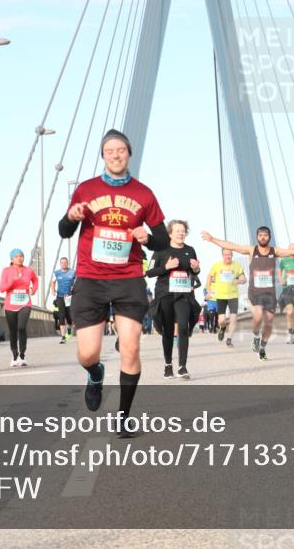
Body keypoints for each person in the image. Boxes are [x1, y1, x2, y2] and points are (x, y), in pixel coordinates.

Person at [58, 129, 169, 437]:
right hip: (91, 280)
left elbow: (161, 239)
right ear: (103, 156)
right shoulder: (86, 189)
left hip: (128, 278)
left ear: (129, 154)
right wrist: (71, 215)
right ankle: (95, 375)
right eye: (110, 151)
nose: (116, 155)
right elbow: (64, 230)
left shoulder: (144, 193)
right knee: (88, 354)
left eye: (121, 150)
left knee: (131, 349)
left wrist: (148, 237)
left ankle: (123, 417)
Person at [201, 227, 294, 361]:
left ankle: (262, 347)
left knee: (269, 323)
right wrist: (212, 239)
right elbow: (232, 246)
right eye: (260, 235)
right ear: (257, 237)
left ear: (269, 237)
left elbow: (293, 251)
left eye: (265, 235)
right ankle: (256, 336)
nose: (263, 237)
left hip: (269, 293)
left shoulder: (274, 251)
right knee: (258, 317)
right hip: (255, 292)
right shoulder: (251, 250)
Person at [146, 220, 202, 379]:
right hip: (165, 293)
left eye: (183, 231)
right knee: (168, 330)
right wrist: (166, 267)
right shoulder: (161, 250)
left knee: (183, 326)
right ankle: (168, 364)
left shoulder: (190, 250)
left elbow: (195, 271)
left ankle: (182, 367)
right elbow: (149, 272)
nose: (181, 233)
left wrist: (197, 268)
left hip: (183, 294)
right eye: (177, 231)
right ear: (170, 233)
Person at [0, 249, 38, 368]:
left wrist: (33, 289)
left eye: (21, 256)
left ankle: (22, 354)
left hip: (25, 303)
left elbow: (35, 281)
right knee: (13, 331)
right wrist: (11, 281)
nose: (20, 258)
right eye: (16, 256)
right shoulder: (6, 271)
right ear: (11, 259)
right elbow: (2, 289)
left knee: (21, 327)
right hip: (10, 304)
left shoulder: (29, 270)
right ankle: (14, 355)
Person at [206, 248, 246, 347]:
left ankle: (229, 339)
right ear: (222, 255)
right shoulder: (216, 265)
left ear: (232, 255)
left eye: (230, 254)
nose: (228, 256)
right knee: (221, 320)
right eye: (226, 254)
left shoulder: (237, 265)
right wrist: (208, 290)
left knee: (233, 318)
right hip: (220, 296)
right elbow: (209, 277)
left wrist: (240, 280)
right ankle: (222, 328)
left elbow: (243, 278)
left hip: (233, 296)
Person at [50, 257, 76, 343]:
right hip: (60, 296)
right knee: (61, 316)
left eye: (65, 262)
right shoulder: (56, 273)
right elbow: (53, 282)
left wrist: (74, 290)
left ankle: (69, 329)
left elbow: (77, 283)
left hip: (69, 297)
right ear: (60, 264)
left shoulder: (73, 272)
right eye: (62, 263)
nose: (64, 264)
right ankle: (63, 337)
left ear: (67, 263)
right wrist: (53, 290)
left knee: (69, 317)